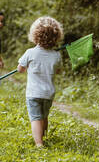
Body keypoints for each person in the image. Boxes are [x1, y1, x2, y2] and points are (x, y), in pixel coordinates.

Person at [17, 16, 64, 147]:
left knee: (36, 118)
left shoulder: (30, 53)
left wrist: (26, 67)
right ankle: (45, 136)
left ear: (35, 35)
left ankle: (39, 143)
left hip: (33, 93)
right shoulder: (56, 55)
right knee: (44, 116)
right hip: (48, 93)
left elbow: (20, 69)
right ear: (56, 36)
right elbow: (58, 71)